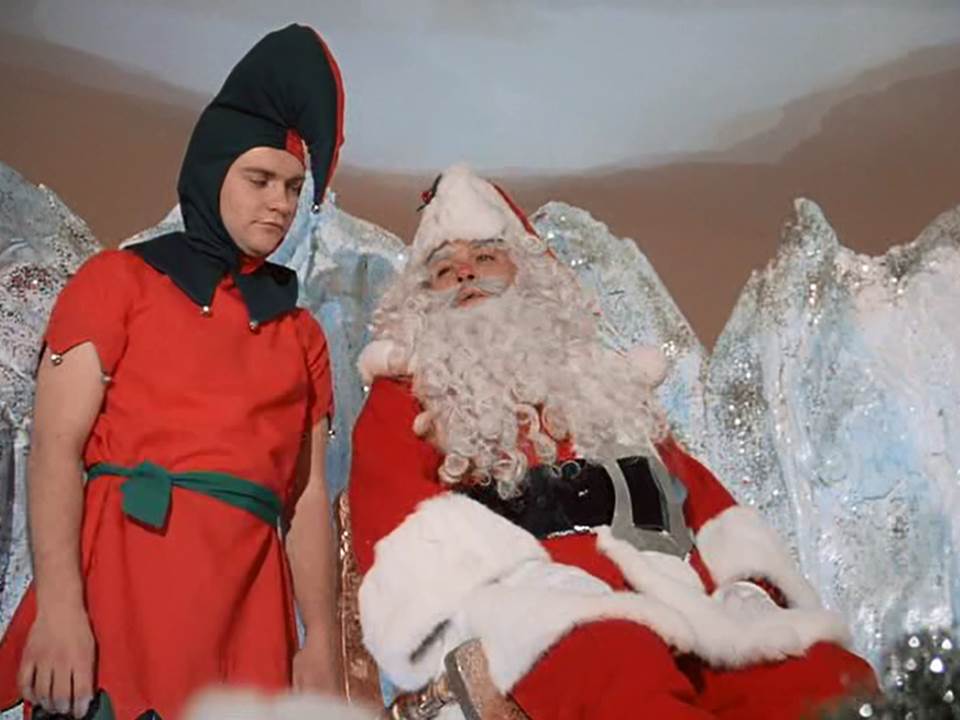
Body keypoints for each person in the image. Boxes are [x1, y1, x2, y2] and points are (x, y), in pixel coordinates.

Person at [347, 164, 877, 719]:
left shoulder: (602, 383)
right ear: (422, 301)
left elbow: (702, 503)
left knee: (823, 678)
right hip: (542, 623)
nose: (465, 274)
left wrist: (749, 590)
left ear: (527, 275)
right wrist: (536, 599)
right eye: (443, 269)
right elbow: (402, 550)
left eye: (485, 257)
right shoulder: (406, 400)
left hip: (685, 605)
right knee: (622, 669)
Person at [0, 24, 345, 720]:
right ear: (212, 172)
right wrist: (61, 609)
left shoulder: (301, 333)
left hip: (249, 607)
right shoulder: (117, 281)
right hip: (126, 582)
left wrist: (322, 640)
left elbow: (307, 499)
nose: (280, 203)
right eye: (259, 180)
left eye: (292, 186)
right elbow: (56, 449)